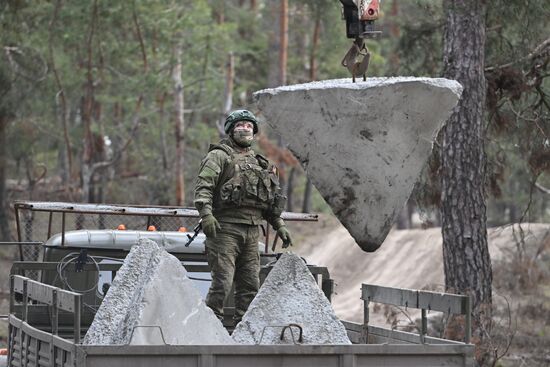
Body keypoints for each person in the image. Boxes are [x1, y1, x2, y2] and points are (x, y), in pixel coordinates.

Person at [194, 109, 293, 324]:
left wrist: (280, 225)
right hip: (224, 230)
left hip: (251, 231)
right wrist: (207, 215)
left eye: (249, 126)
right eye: (240, 125)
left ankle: (244, 330)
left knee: (250, 286)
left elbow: (268, 202)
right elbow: (203, 189)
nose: (245, 129)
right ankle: (210, 329)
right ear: (231, 130)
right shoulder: (218, 156)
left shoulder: (261, 164)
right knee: (222, 283)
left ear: (255, 132)